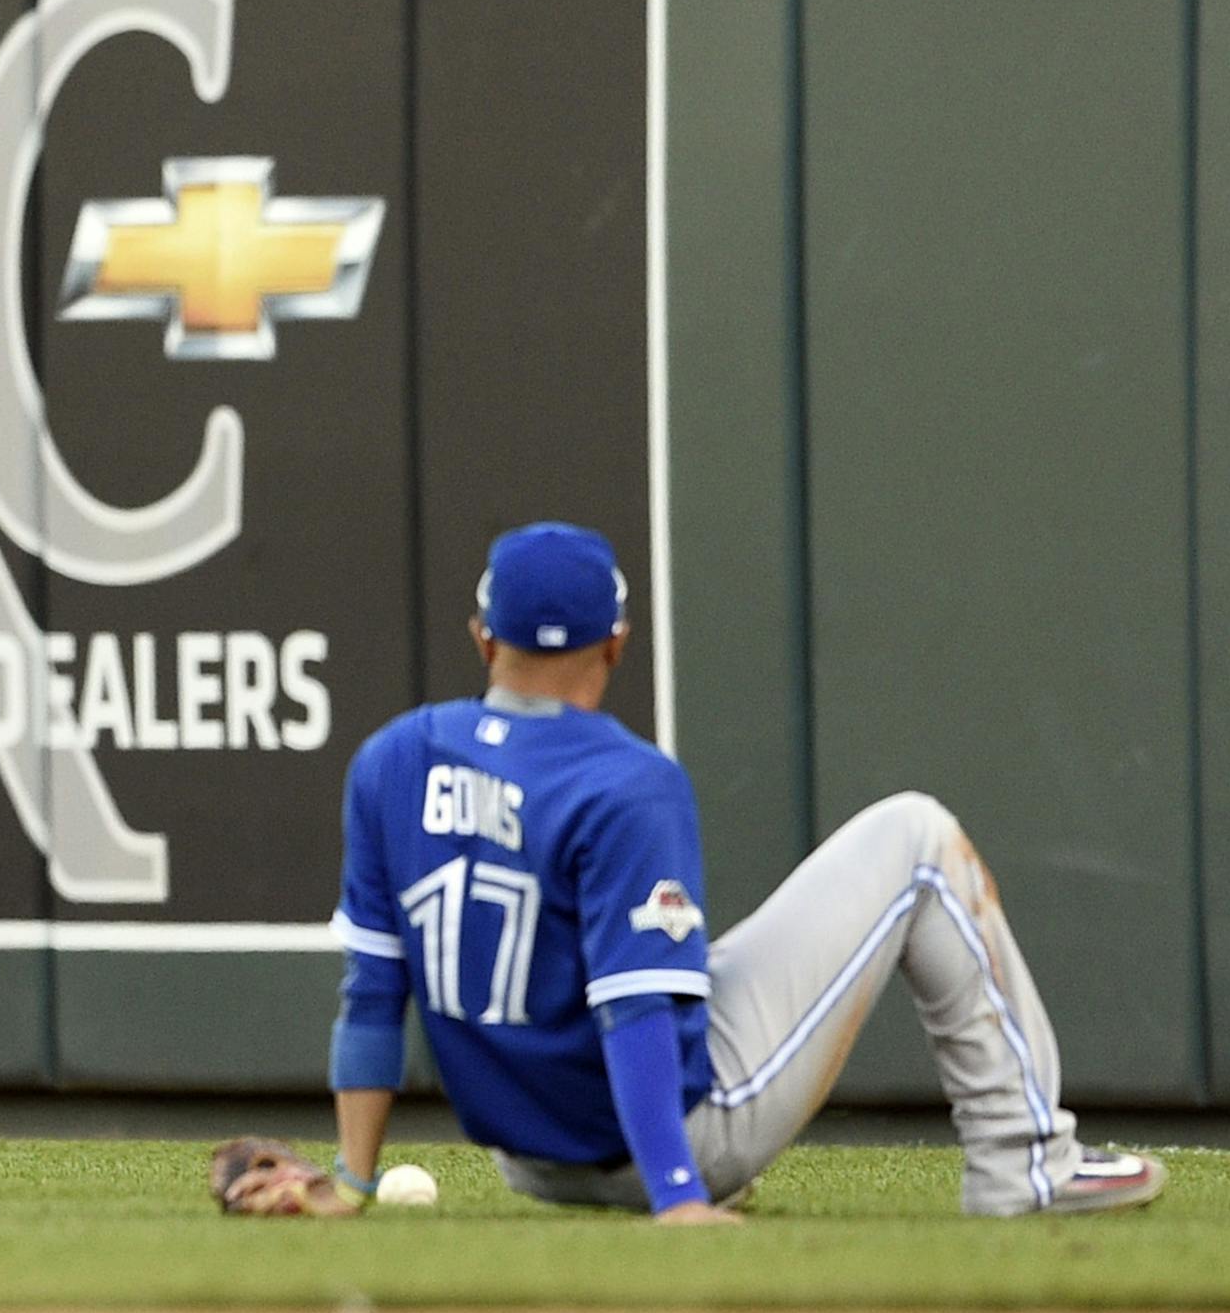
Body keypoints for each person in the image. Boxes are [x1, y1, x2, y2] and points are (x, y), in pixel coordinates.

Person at [324, 521, 1166, 1221]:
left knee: (674, 957)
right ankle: (1026, 1159)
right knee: (917, 838)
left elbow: (373, 988)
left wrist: (352, 1182)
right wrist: (679, 1195)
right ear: (616, 645)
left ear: (483, 637)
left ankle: (655, 1170)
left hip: (529, 1158)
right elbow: (637, 1004)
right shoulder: (625, 779)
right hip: (659, 1149)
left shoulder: (392, 759)